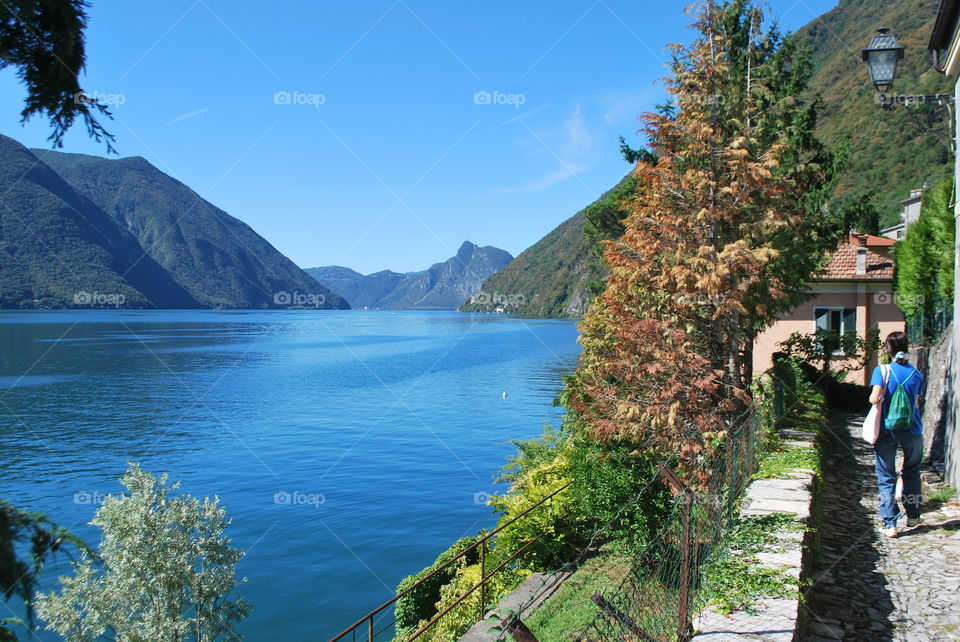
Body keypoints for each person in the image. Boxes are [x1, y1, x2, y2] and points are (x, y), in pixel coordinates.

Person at [868, 331, 925, 538]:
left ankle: (890, 524)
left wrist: (881, 395)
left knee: (886, 477)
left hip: (887, 431)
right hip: (913, 430)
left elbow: (874, 399)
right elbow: (916, 404)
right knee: (911, 472)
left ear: (887, 349)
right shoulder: (916, 374)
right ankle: (913, 516)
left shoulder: (881, 371)